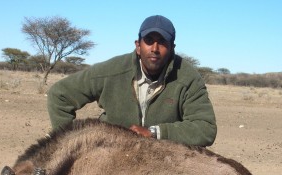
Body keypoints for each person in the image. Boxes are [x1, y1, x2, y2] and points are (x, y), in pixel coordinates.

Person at [47, 15, 217, 146]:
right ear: (138, 45)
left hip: (164, 158)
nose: (155, 49)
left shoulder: (188, 78)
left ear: (172, 48)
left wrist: (154, 133)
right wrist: (70, 144)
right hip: (112, 154)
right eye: (149, 41)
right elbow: (59, 95)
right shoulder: (111, 70)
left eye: (162, 42)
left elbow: (205, 128)